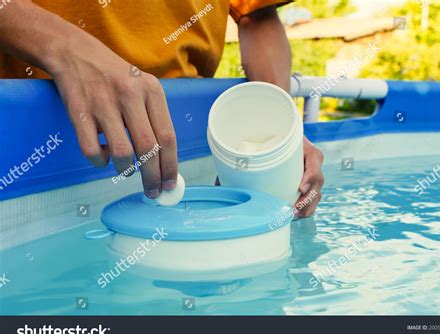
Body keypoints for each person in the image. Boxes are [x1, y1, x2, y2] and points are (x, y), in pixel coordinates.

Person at [0, 0, 324, 217]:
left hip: (185, 140)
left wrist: (281, 134)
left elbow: (257, 15)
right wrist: (66, 48)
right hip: (27, 142)